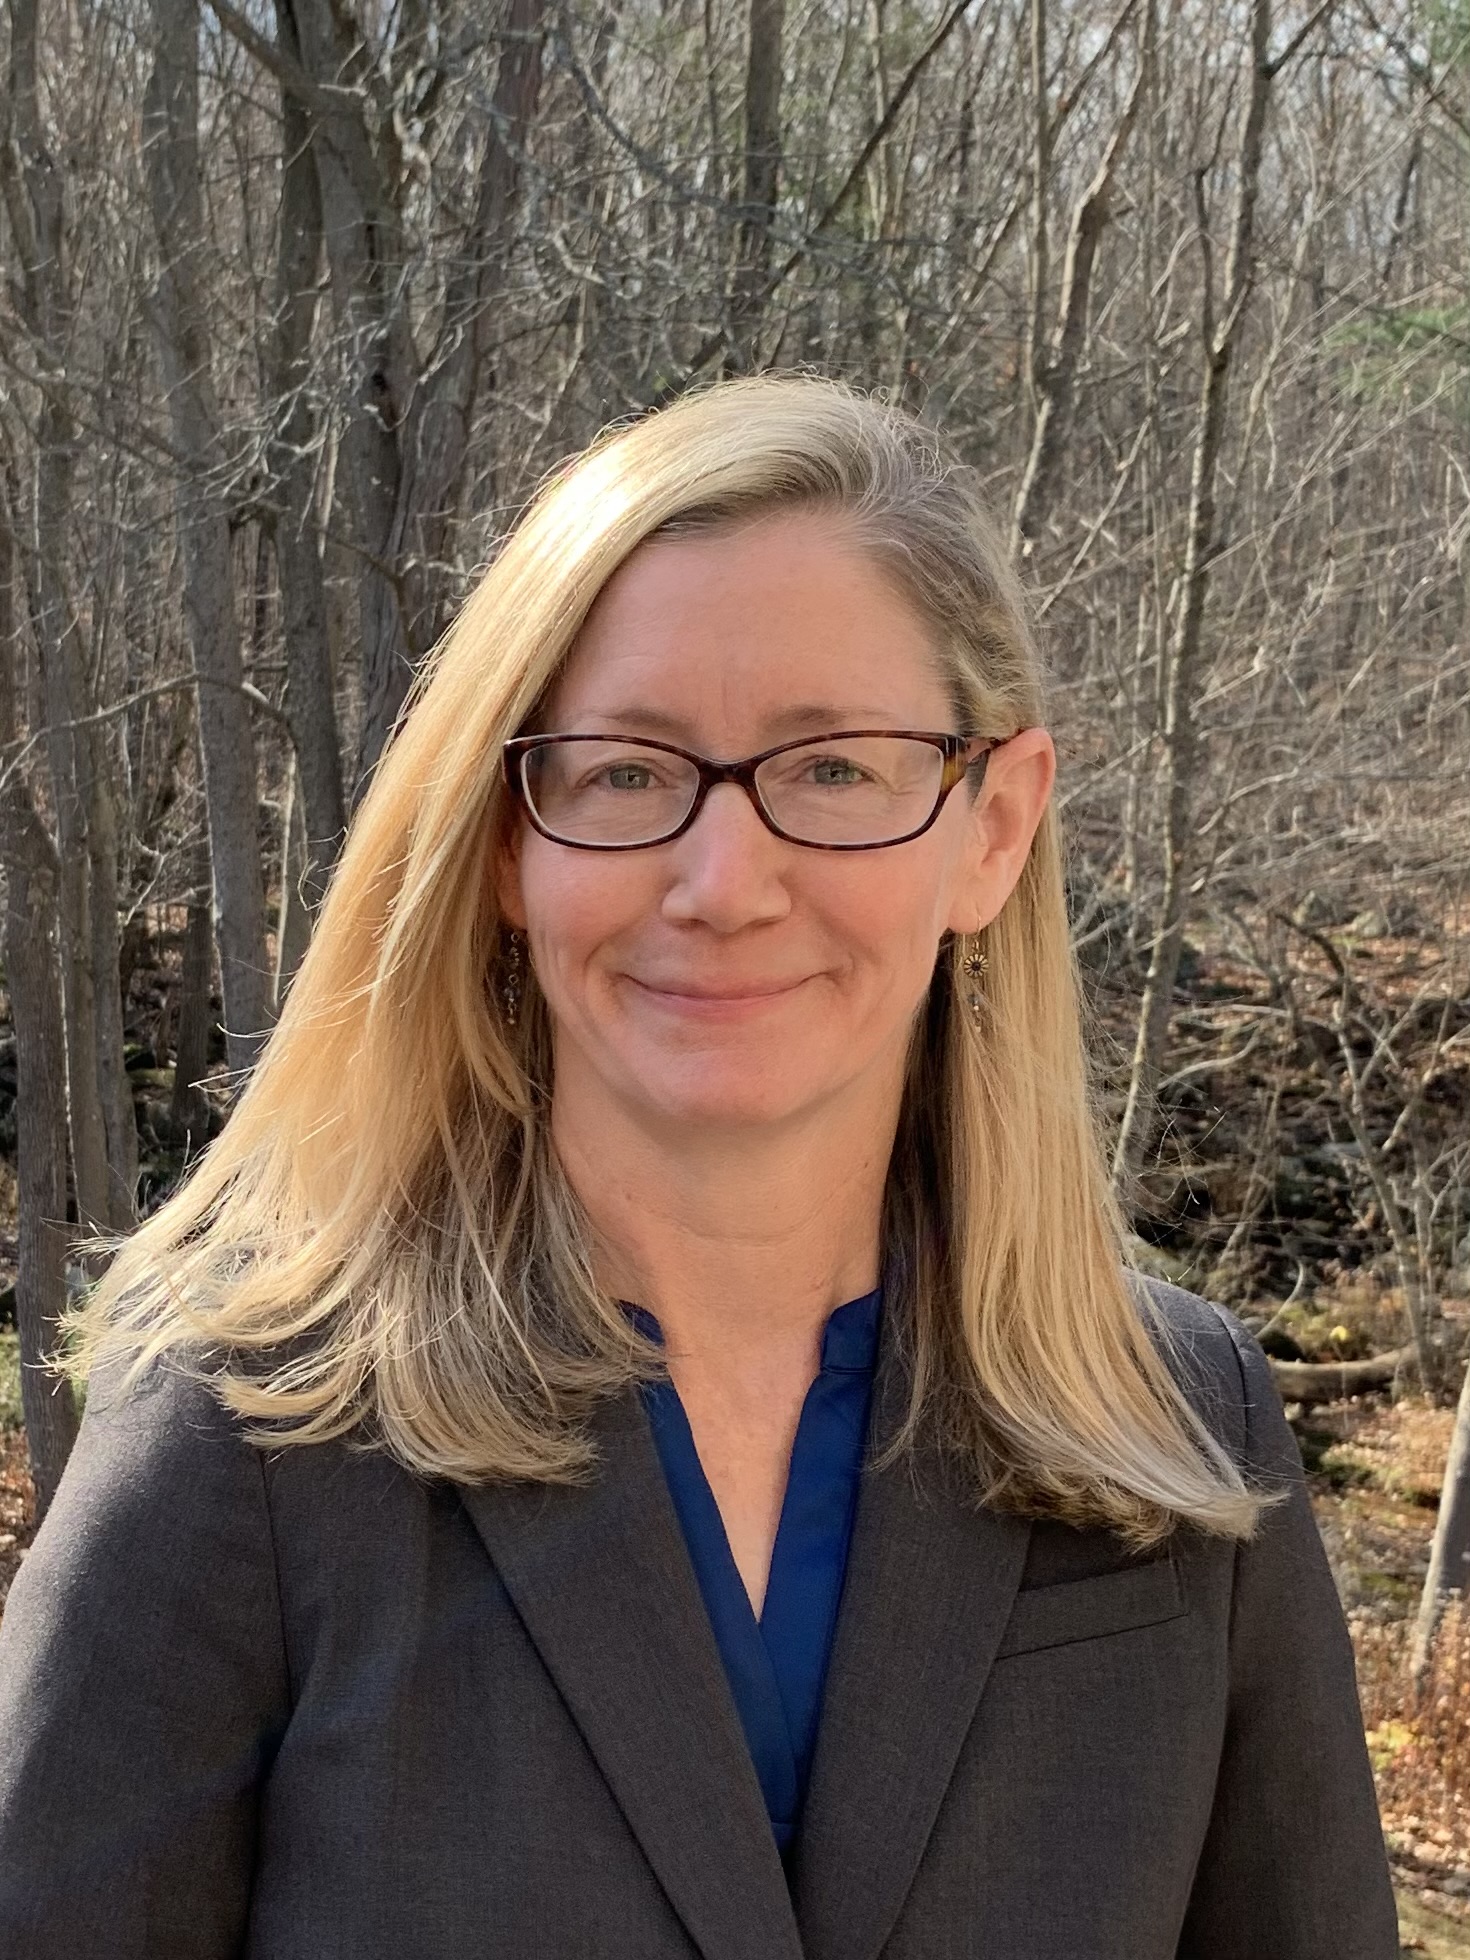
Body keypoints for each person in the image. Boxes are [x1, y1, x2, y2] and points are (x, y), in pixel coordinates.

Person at [0, 376, 1396, 1958]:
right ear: (505, 844)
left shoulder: (1180, 1429)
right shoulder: (244, 1433)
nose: (722, 883)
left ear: (989, 828)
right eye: (623, 773)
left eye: (834, 769)